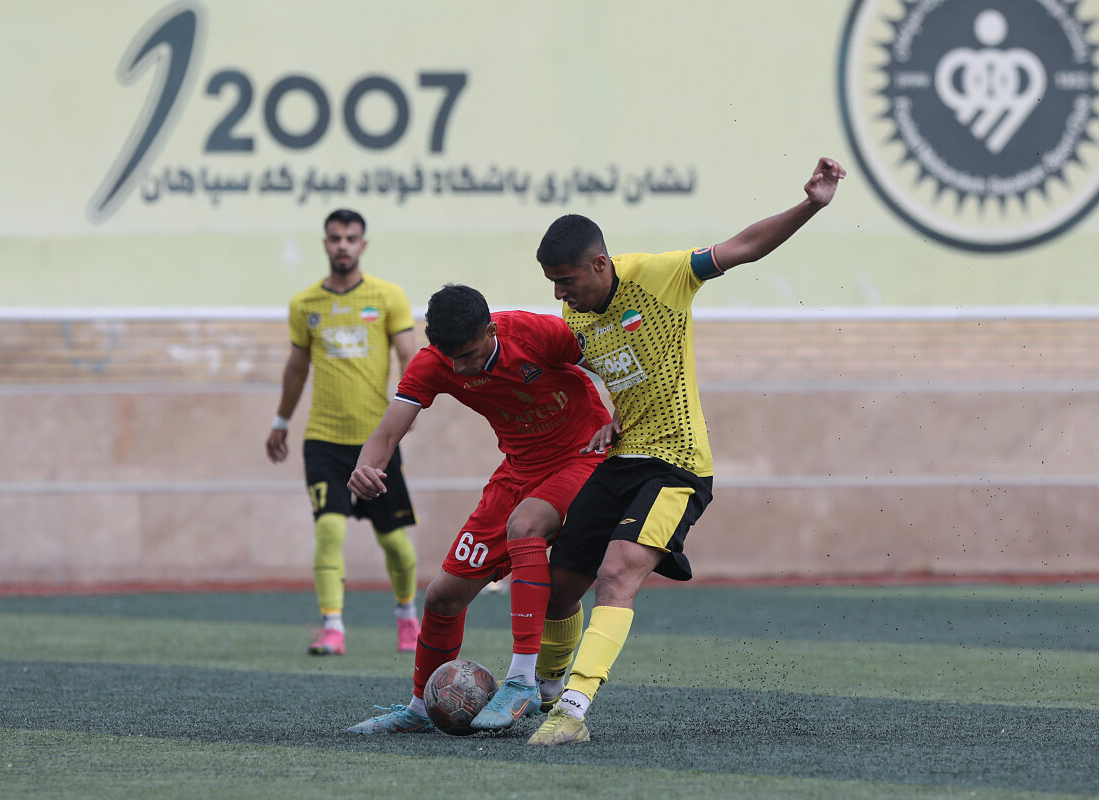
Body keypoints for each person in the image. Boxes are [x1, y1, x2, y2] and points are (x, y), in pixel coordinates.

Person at [526, 157, 847, 745]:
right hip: (621, 460)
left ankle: (573, 709)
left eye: (565, 280)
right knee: (560, 584)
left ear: (599, 264)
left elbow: (744, 247)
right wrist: (614, 421)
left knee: (616, 574)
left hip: (676, 466)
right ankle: (543, 693)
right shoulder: (577, 312)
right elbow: (631, 372)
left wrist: (811, 204)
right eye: (552, 281)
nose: (558, 293)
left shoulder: (662, 276)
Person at [346, 284, 611, 734]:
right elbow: (387, 435)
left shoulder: (538, 333)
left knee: (525, 525)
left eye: (468, 355)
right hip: (519, 470)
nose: (460, 368)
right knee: (442, 596)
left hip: (584, 457)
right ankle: (419, 709)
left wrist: (622, 417)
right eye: (451, 358)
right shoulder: (435, 362)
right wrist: (365, 467)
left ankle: (523, 680)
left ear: (491, 331)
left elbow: (615, 365)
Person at [266, 209, 420, 657]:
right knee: (329, 530)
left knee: (395, 542)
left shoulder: (387, 296)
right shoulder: (304, 304)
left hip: (377, 442)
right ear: (325, 244)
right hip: (324, 439)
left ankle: (407, 617)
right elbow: (296, 368)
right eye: (335, 238)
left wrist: (410, 406)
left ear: (363, 245)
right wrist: (280, 422)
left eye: (351, 238)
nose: (343, 246)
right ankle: (332, 627)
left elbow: (409, 356)